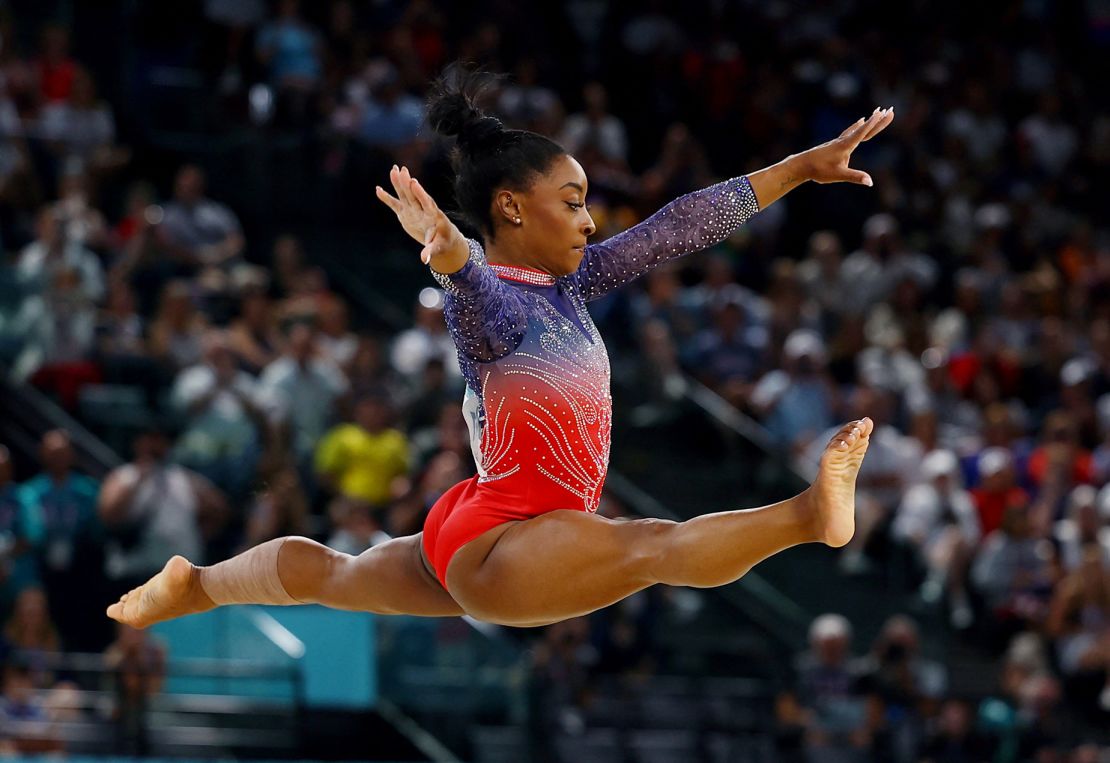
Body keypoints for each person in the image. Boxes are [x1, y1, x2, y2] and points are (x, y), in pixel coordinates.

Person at [108, 66, 893, 631]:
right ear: (512, 208)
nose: (590, 222)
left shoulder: (573, 288)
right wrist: (448, 247)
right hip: (506, 541)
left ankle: (197, 584)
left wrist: (797, 169)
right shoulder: (496, 308)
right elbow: (466, 285)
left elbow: (673, 227)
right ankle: (805, 515)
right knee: (650, 545)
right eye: (573, 202)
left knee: (335, 573)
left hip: (481, 529)